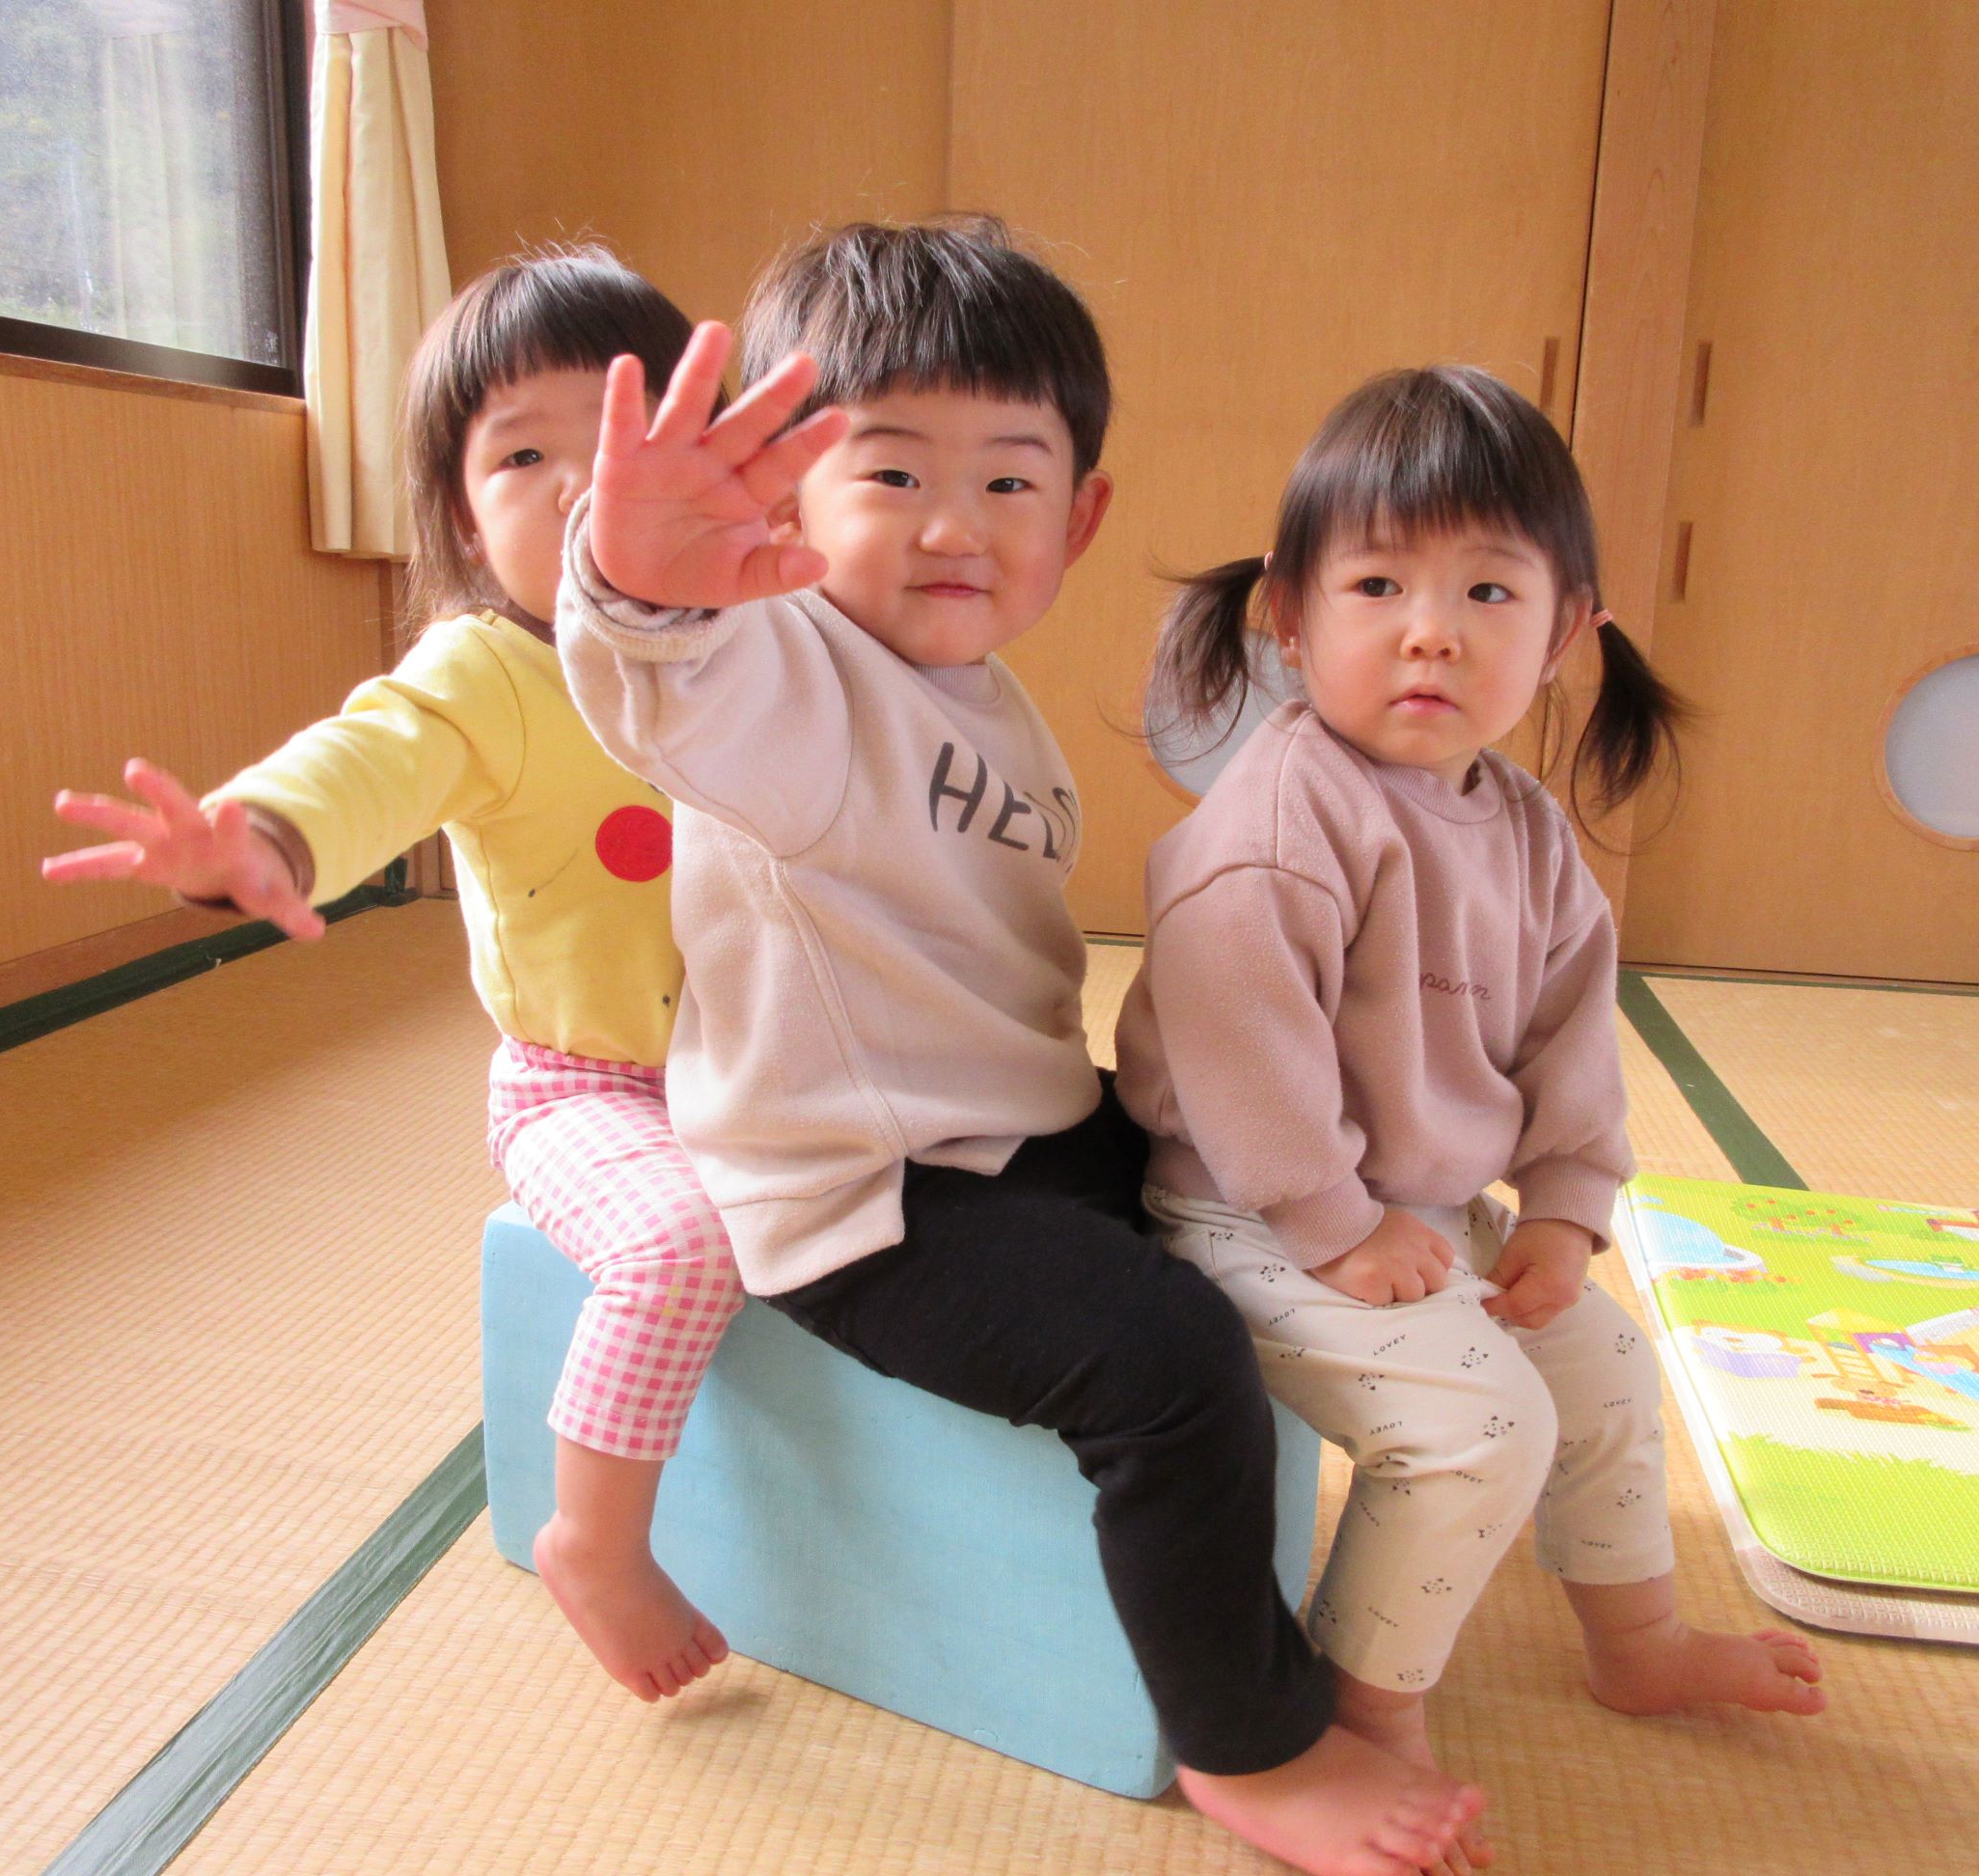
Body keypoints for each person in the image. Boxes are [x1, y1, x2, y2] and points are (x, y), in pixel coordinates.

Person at [559, 218, 1481, 1876]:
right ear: (783, 499)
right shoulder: (792, 672)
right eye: (891, 473)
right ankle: (1250, 1744)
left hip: (1013, 1127)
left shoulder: (988, 696)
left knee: (1246, 1186)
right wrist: (638, 585)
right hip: (870, 1191)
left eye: (1007, 479)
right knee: (1171, 1364)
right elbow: (667, 677)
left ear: (1081, 518)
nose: (953, 525)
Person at [1116, 366, 1825, 1868]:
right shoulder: (1283, 814)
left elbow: (1573, 1035)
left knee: (1607, 1367)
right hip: (1253, 1211)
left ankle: (1636, 1642)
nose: (1430, 630)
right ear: (1291, 616)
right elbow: (1240, 1045)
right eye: (1378, 585)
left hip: (1427, 1213)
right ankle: (1364, 1713)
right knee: (1478, 1426)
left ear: (1566, 634)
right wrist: (1334, 1224)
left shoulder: (1527, 827)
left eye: (1489, 591)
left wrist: (1564, 1212)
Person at [41, 249, 741, 1705]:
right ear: (464, 521)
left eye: (617, 433)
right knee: (680, 1246)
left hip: (765, 1072)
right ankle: (596, 1538)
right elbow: (369, 757)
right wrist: (257, 835)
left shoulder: (756, 643)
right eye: (521, 457)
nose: (576, 483)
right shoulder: (485, 673)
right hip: (588, 1088)